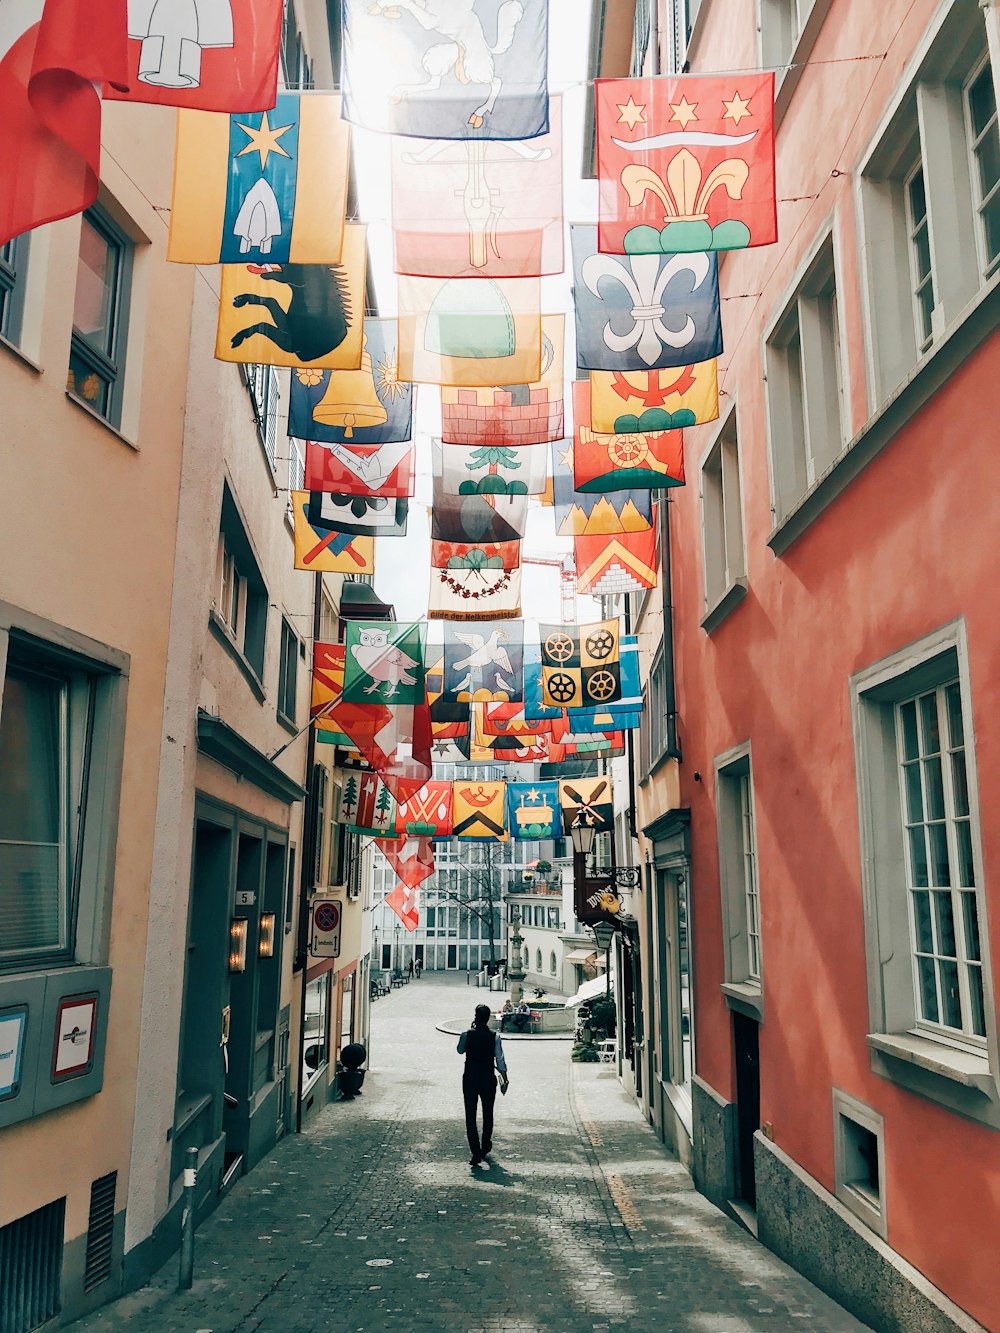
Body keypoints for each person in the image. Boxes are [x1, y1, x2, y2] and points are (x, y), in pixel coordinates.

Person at [456, 1003, 508, 1167]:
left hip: (470, 1077)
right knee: (488, 1113)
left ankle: (475, 1152)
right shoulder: (495, 1036)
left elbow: (459, 1050)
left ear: (475, 1016)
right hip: (487, 1078)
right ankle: (485, 1145)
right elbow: (499, 1059)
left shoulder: (466, 1034)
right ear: (487, 1019)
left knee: (470, 1115)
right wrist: (504, 1076)